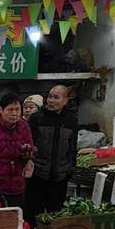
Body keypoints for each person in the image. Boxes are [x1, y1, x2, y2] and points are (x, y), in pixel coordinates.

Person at [25, 83, 79, 221]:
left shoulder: (71, 120)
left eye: (56, 97)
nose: (51, 100)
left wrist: (70, 168)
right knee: (33, 215)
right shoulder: (37, 118)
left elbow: (72, 147)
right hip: (37, 176)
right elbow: (29, 145)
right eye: (49, 97)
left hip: (59, 178)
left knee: (55, 217)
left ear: (65, 101)